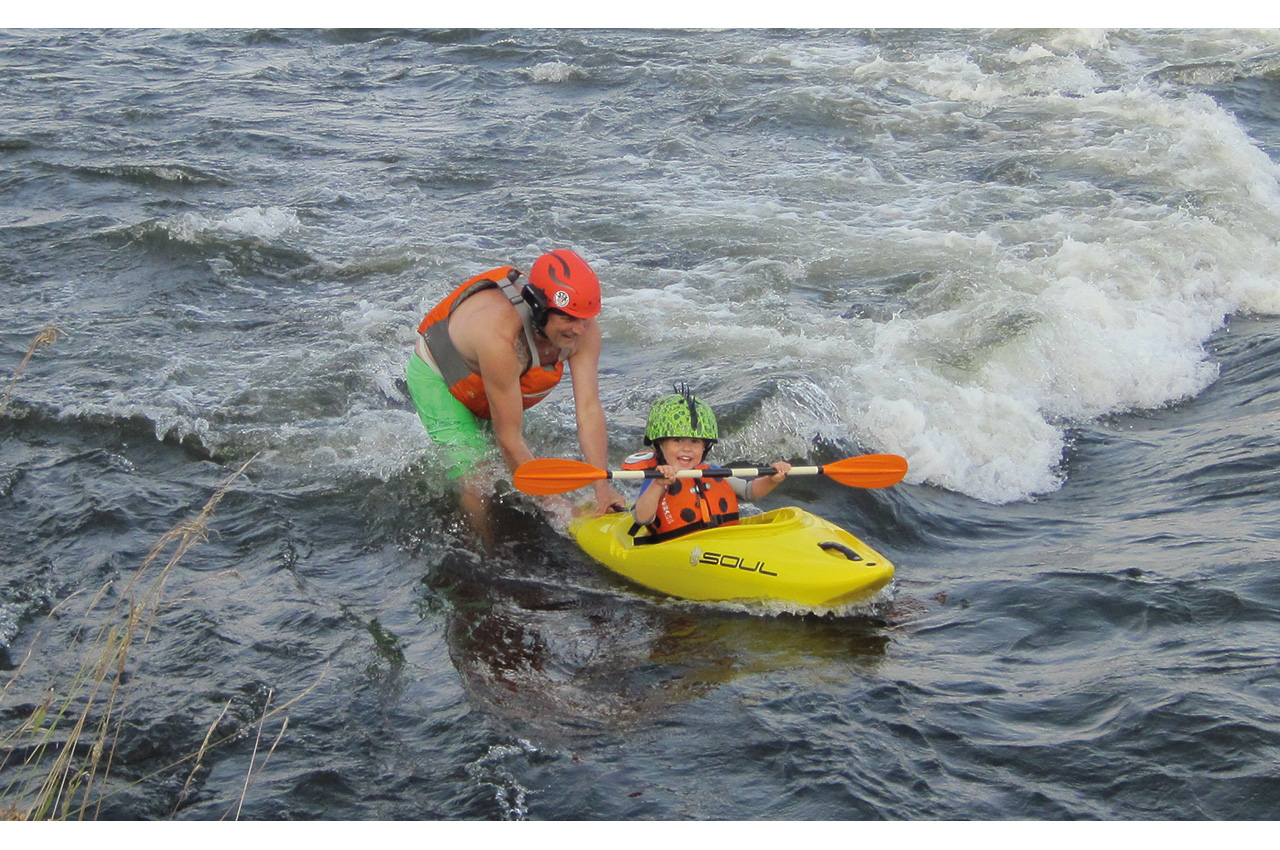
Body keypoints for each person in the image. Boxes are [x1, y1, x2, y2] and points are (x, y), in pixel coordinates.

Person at [406, 249, 625, 540]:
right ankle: (482, 549)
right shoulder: (501, 339)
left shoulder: (583, 328)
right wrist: (558, 508)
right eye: (568, 319)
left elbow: (588, 408)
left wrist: (602, 486)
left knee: (513, 456)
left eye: (585, 319)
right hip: (441, 374)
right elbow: (508, 438)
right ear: (539, 309)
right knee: (478, 476)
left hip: (493, 374)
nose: (579, 329)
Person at [627, 386, 791, 544]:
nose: (687, 448)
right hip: (679, 547)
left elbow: (749, 492)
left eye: (695, 441)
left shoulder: (712, 472)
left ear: (705, 447)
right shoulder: (657, 479)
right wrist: (658, 484)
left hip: (722, 542)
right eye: (677, 440)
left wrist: (771, 480)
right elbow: (642, 517)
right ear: (660, 444)